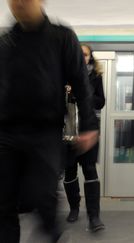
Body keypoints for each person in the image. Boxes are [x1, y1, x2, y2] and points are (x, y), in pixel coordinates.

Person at [0, 0, 99, 242]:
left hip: (44, 131)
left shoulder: (61, 37)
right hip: (6, 133)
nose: (19, 3)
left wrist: (88, 126)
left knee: (42, 195)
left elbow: (80, 82)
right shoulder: (5, 43)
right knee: (3, 201)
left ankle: (53, 234)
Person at [63, 44, 106, 232]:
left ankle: (94, 217)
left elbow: (100, 101)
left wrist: (81, 93)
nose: (82, 57)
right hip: (66, 131)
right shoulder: (61, 75)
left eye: (86, 54)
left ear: (90, 58)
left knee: (89, 170)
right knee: (70, 171)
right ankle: (74, 208)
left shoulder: (95, 77)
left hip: (88, 130)